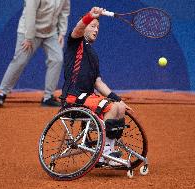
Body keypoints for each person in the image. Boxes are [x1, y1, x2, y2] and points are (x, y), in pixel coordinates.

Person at [61, 7, 132, 166]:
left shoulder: (93, 54)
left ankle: (109, 152)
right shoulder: (75, 43)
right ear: (85, 27)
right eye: (92, 26)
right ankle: (103, 154)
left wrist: (119, 100)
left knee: (118, 108)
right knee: (111, 108)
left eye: (98, 27)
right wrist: (88, 17)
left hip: (88, 97)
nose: (96, 30)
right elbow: (77, 29)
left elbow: (98, 83)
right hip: (73, 97)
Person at [0, 0, 71, 107]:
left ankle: (48, 97)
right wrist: (29, 37)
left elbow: (64, 11)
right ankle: (2, 94)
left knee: (57, 59)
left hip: (50, 33)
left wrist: (62, 32)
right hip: (28, 32)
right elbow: (30, 13)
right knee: (20, 60)